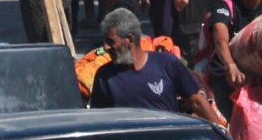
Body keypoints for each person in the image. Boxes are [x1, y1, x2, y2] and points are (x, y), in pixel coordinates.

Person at [89, 8, 225, 125]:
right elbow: (99, 121)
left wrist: (224, 137)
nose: (105, 47)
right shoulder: (104, 76)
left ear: (130, 40)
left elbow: (198, 103)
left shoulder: (167, 64)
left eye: (111, 41)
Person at [201, 0, 262, 120]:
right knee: (229, 124)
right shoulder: (225, 6)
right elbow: (220, 39)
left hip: (259, 77)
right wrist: (231, 65)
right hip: (225, 75)